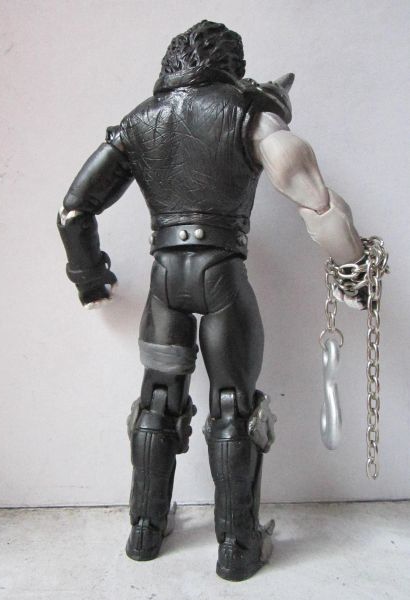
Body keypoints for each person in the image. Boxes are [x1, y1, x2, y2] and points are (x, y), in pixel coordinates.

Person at [57, 20, 366, 581]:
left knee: (157, 399)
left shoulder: (138, 121)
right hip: (221, 276)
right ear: (233, 64)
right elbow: (312, 196)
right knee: (232, 405)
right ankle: (238, 547)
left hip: (164, 281)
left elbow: (74, 209)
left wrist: (90, 279)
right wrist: (353, 271)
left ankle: (145, 531)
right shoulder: (250, 114)